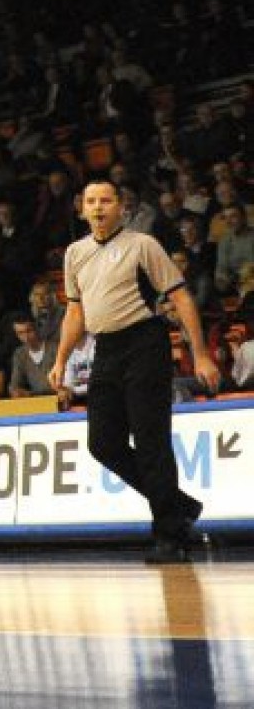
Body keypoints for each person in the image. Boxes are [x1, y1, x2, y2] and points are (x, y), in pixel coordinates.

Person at [49, 179, 220, 564]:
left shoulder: (143, 245)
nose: (98, 207)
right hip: (105, 348)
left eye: (106, 200)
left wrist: (201, 353)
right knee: (102, 443)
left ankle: (170, 536)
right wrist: (60, 360)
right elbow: (75, 311)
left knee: (150, 441)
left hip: (145, 343)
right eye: (91, 201)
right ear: (82, 209)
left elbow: (181, 297)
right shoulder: (75, 253)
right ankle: (178, 506)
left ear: (121, 207)